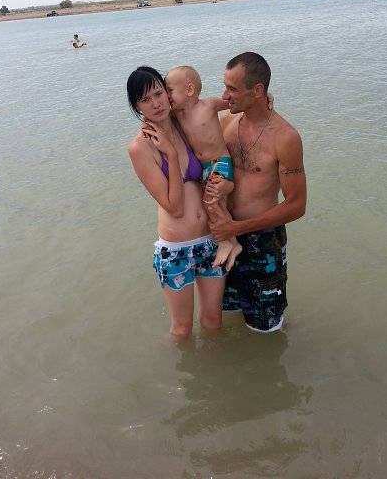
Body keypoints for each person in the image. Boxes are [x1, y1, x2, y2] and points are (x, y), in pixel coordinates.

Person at [205, 52, 307, 333]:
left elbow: (296, 205)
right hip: (225, 238)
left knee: (266, 327)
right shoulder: (226, 123)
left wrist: (238, 227)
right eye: (224, 86)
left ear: (258, 90)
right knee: (228, 316)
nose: (224, 96)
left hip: (262, 241)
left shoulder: (284, 137)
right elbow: (186, 115)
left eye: (232, 89)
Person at [127, 66, 227, 337]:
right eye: (145, 100)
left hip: (210, 241)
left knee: (213, 322)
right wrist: (170, 154)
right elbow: (174, 206)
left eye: (159, 93)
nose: (156, 103)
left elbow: (214, 113)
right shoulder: (140, 148)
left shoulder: (183, 122)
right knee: (182, 329)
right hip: (177, 250)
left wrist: (260, 103)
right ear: (137, 107)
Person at [164, 65, 242, 271]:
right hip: (204, 169)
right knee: (216, 206)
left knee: (212, 202)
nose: (167, 96)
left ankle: (227, 241)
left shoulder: (209, 105)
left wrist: (265, 97)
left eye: (170, 91)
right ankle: (233, 242)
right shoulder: (176, 114)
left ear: (189, 90)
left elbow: (236, 101)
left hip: (219, 161)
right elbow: (157, 116)